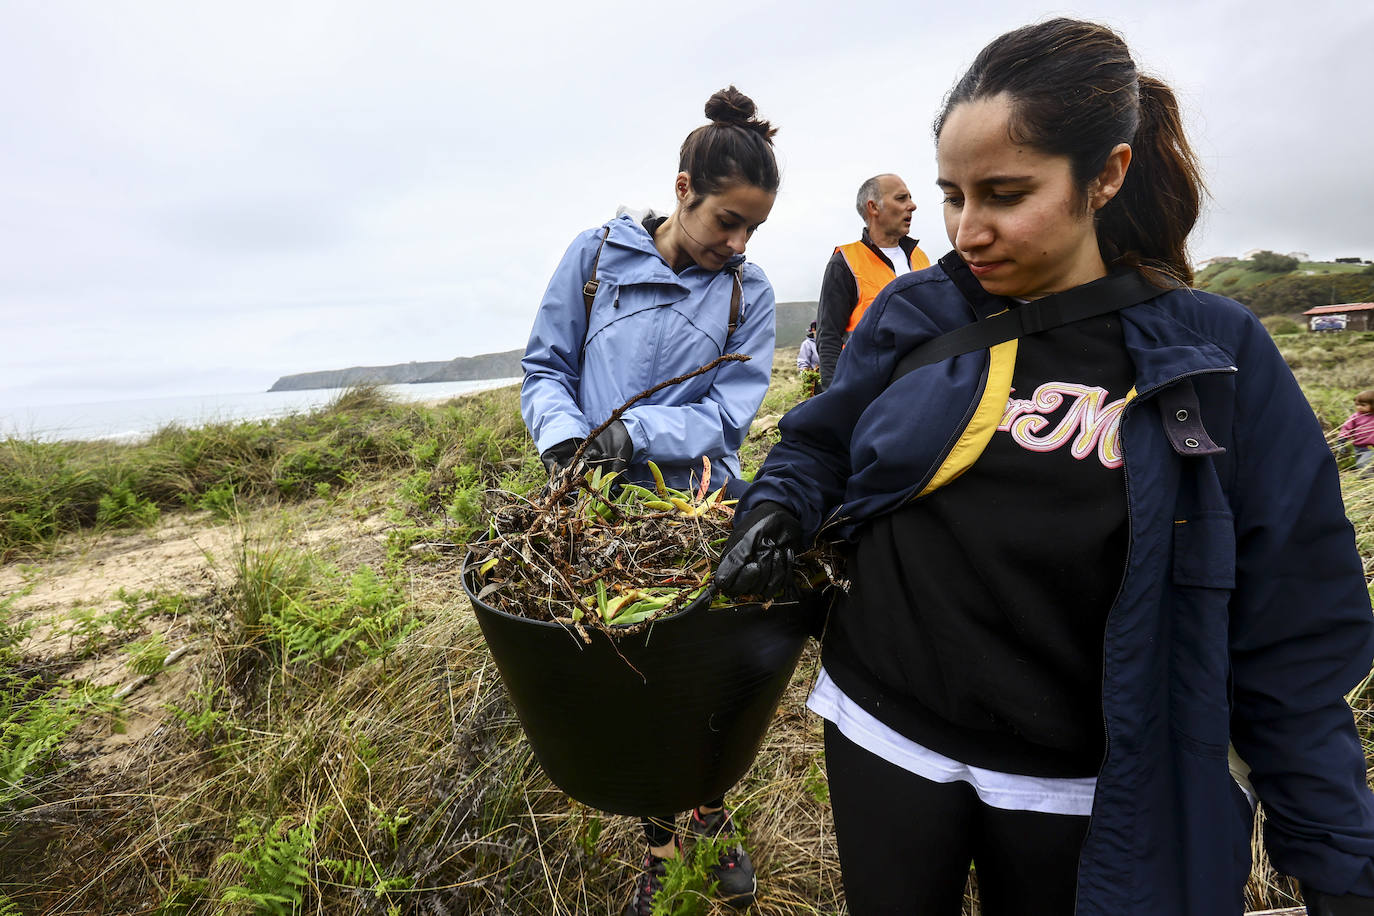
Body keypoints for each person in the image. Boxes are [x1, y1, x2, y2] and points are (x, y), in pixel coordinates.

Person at [715, 19, 1374, 916]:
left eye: (1005, 192)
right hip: (884, 730)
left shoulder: (1217, 358)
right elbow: (824, 439)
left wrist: (1334, 858)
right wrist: (779, 506)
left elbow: (1291, 628)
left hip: (1086, 790)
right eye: (953, 196)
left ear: (1105, 175)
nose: (969, 229)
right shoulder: (919, 310)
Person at [520, 86, 779, 915]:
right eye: (725, 223)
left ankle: (709, 808)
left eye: (752, 230)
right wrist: (566, 442)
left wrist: (635, 437)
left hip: (696, 513)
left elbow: (730, 410)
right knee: (630, 680)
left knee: (701, 675)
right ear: (682, 191)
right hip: (591, 517)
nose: (735, 244)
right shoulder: (594, 258)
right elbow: (544, 369)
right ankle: (660, 844)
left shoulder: (750, 291)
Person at [815, 173, 931, 391]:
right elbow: (828, 335)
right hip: (870, 390)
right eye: (901, 198)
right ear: (873, 207)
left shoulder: (921, 257)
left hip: (923, 384)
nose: (912, 205)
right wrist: (833, 397)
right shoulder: (845, 262)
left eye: (910, 198)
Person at [1339, 390, 1374, 474]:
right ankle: (1366, 481)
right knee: (1362, 465)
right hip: (1358, 447)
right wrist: (1342, 440)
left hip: (1371, 448)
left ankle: (1369, 480)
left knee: (1362, 464)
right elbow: (1347, 428)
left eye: (1363, 405)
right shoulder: (1355, 417)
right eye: (1357, 405)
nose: (1359, 407)